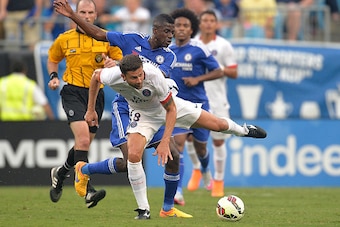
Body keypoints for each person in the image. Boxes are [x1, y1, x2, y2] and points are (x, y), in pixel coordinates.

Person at [53, 0, 193, 219]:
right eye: (167, 32)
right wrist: (71, 15)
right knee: (130, 163)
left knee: (174, 155)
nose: (170, 37)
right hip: (125, 108)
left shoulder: (169, 56)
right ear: (154, 30)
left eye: (172, 33)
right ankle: (85, 171)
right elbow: (98, 33)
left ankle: (167, 209)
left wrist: (119, 65)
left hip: (148, 111)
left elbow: (155, 77)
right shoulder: (131, 40)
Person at [84, 54, 266, 220]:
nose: (139, 79)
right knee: (133, 156)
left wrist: (164, 142)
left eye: (141, 75)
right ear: (123, 77)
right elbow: (95, 77)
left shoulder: (153, 76)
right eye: (134, 77)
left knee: (216, 124)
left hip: (170, 107)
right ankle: (143, 210)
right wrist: (91, 109)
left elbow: (170, 110)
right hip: (142, 115)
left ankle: (244, 130)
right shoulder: (112, 75)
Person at [47, 0, 122, 208]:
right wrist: (53, 76)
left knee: (83, 144)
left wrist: (113, 64)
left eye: (90, 12)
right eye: (82, 12)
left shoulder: (106, 38)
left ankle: (61, 172)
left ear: (96, 16)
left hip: (96, 95)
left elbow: (121, 60)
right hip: (72, 92)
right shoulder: (65, 39)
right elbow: (52, 59)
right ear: (75, 14)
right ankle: (87, 190)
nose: (86, 16)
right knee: (82, 139)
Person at [168, 7, 223, 206]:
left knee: (201, 148)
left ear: (192, 30)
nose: (181, 29)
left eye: (185, 26)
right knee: (178, 146)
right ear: (172, 29)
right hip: (176, 107)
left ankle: (205, 170)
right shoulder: (168, 52)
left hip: (199, 105)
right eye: (177, 26)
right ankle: (178, 191)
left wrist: (198, 78)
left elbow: (218, 71)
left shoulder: (199, 49)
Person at [194, 9, 238, 197]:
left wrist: (217, 68)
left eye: (212, 20)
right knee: (190, 138)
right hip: (195, 97)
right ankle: (198, 170)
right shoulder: (192, 43)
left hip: (217, 99)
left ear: (217, 24)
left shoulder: (224, 45)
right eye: (205, 20)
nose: (209, 23)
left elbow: (234, 72)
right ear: (200, 23)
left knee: (218, 141)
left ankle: (219, 180)